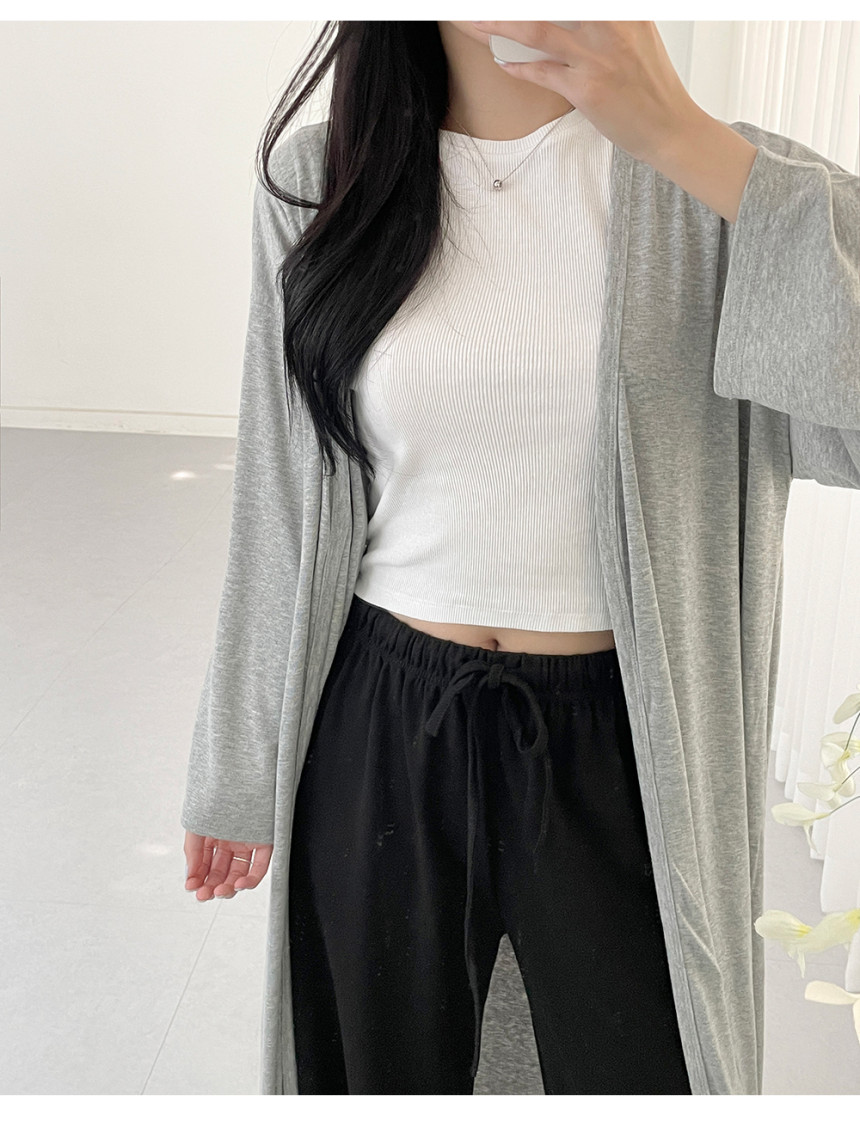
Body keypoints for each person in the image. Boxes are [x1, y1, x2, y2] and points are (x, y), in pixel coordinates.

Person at [180, 21, 860, 1095]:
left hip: (629, 736)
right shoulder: (324, 177)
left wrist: (678, 137)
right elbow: (281, 484)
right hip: (380, 722)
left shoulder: (717, 183)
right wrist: (239, 763)